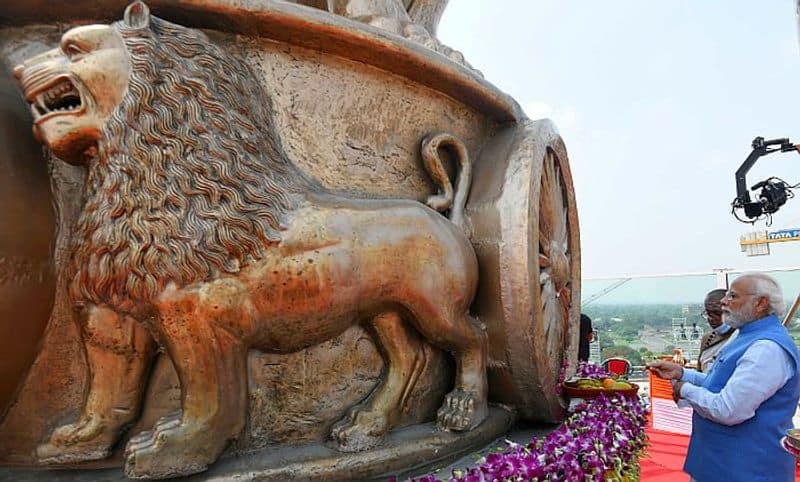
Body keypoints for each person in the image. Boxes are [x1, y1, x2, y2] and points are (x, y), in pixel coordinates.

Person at [647, 273, 799, 482]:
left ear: (760, 303)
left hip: (748, 469)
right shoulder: (746, 335)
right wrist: (682, 373)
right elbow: (720, 384)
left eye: (733, 296)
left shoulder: (767, 348)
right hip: (721, 464)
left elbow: (729, 409)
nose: (724, 302)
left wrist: (684, 389)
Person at [697, 288, 737, 373]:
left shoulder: (740, 338)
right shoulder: (707, 338)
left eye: (717, 313)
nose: (711, 318)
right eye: (708, 313)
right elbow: (699, 371)